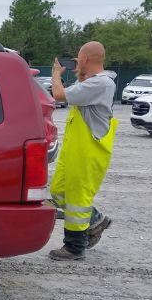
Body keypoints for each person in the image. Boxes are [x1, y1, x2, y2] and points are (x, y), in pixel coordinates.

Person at [47, 41, 118, 261]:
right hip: (75, 152)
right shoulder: (92, 83)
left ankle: (74, 247)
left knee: (78, 198)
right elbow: (77, 91)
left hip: (88, 152)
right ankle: (95, 218)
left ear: (86, 59)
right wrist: (81, 72)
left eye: (80, 58)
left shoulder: (101, 84)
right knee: (58, 192)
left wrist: (56, 74)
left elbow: (58, 95)